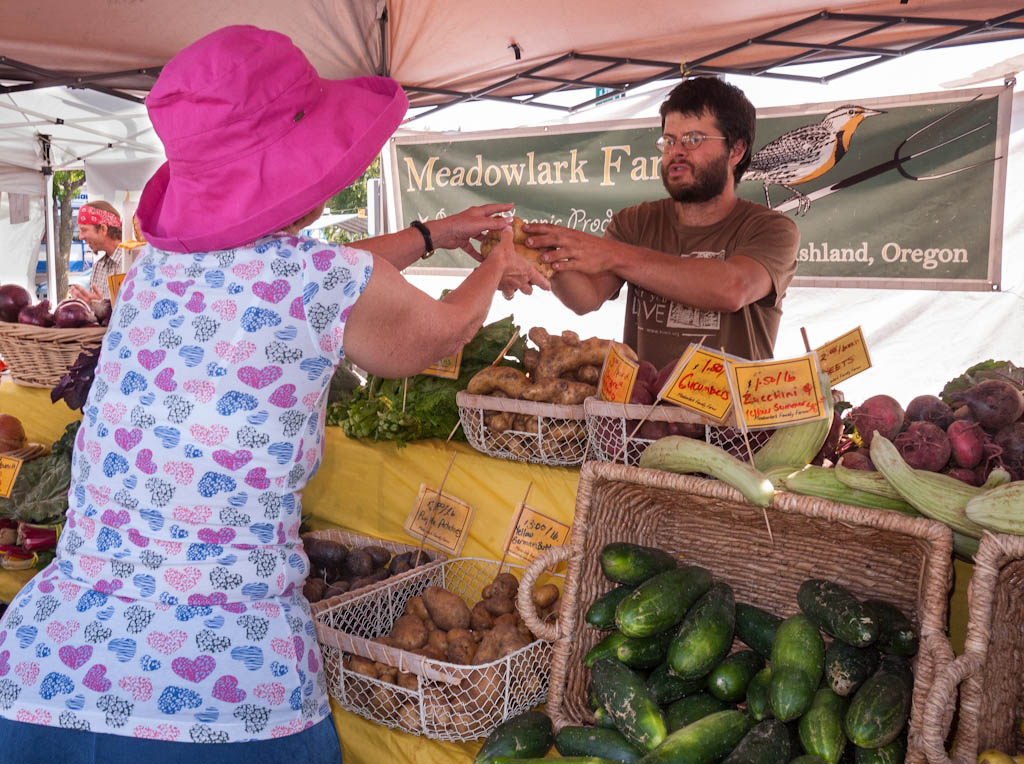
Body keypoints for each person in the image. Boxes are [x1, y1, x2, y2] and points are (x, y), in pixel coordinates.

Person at [0, 25, 546, 764]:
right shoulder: (315, 279)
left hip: (50, 667)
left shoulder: (159, 271)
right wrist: (498, 264)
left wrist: (429, 233)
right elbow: (436, 333)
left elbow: (307, 275)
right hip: (222, 682)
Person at [523, 77, 800, 370]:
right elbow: (586, 299)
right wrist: (545, 256)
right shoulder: (634, 222)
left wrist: (613, 254)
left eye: (693, 139)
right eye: (669, 140)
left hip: (731, 414)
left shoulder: (771, 228)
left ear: (736, 150)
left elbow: (732, 289)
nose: (676, 151)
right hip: (643, 413)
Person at [69, 200, 130, 302]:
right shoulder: (98, 266)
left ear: (103, 229)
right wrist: (88, 305)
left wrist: (102, 307)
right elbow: (96, 313)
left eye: (84, 230)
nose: (80, 237)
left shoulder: (131, 261)